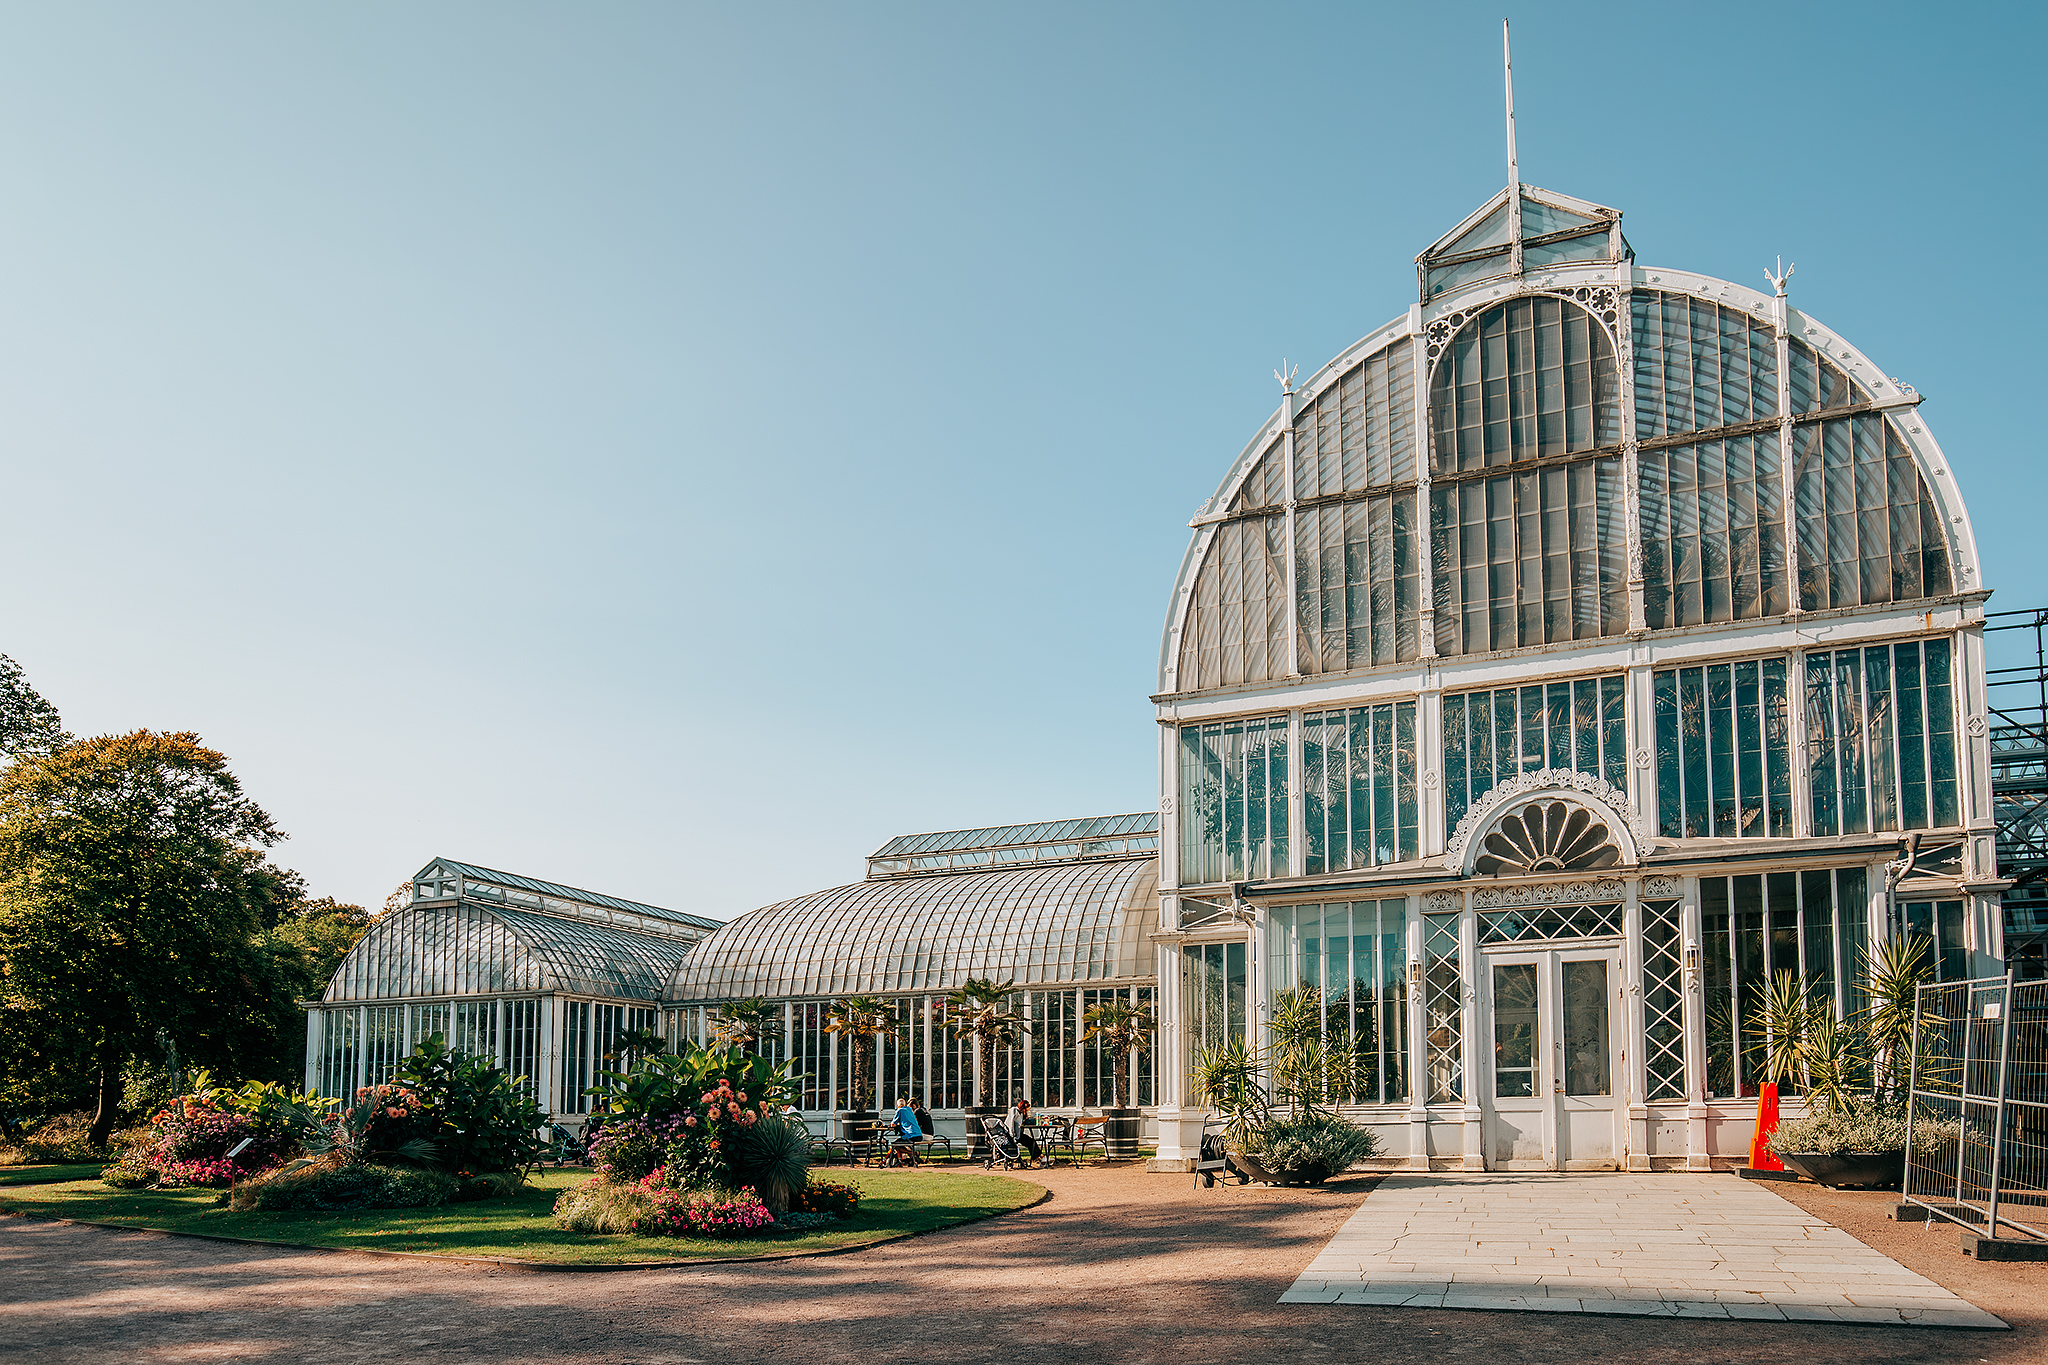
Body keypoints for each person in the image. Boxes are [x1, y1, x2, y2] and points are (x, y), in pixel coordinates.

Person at [1006, 1097, 1042, 1167]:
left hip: (1018, 1135)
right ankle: (1041, 1158)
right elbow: (1011, 1123)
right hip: (1011, 1135)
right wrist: (1012, 1135)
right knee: (1030, 1141)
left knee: (1031, 1142)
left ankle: (1040, 1158)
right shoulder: (1014, 1110)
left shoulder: (1022, 1114)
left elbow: (1026, 1120)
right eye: (1027, 1110)